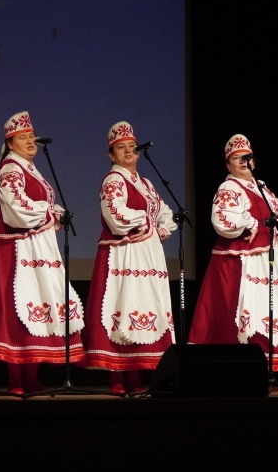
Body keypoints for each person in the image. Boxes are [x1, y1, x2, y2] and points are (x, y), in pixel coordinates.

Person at [0, 111, 85, 395]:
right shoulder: (10, 169)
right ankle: (17, 378)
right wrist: (49, 212)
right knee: (16, 308)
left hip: (37, 244)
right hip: (16, 247)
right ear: (10, 143)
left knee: (39, 304)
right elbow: (16, 210)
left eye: (32, 137)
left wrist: (55, 213)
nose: (31, 142)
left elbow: (35, 205)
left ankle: (30, 375)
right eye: (24, 138)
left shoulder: (30, 169)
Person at [188, 134, 278, 372]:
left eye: (247, 158)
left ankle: (267, 368)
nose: (243, 162)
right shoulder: (229, 186)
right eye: (237, 159)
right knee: (245, 312)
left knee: (271, 309)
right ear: (228, 165)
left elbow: (276, 214)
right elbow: (223, 220)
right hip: (242, 260)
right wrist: (250, 223)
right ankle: (241, 369)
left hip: (269, 256)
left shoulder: (260, 186)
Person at [80, 121, 177, 394]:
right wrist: (148, 222)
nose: (127, 152)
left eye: (131, 147)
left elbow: (164, 212)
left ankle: (135, 376)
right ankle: (118, 378)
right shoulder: (114, 180)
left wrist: (161, 226)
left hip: (147, 255)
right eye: (120, 148)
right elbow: (115, 215)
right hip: (123, 255)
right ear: (112, 155)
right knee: (123, 306)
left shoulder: (145, 183)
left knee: (141, 307)